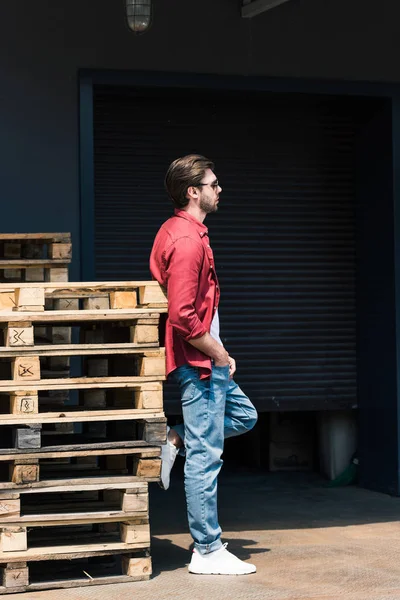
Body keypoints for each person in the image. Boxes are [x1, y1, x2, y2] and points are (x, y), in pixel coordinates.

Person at [150, 154, 258, 575]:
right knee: (206, 454)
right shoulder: (188, 241)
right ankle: (208, 550)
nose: (219, 189)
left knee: (244, 416)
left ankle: (176, 437)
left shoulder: (181, 232)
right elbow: (182, 316)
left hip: (203, 359)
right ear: (193, 191)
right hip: (199, 362)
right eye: (213, 183)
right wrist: (219, 353)